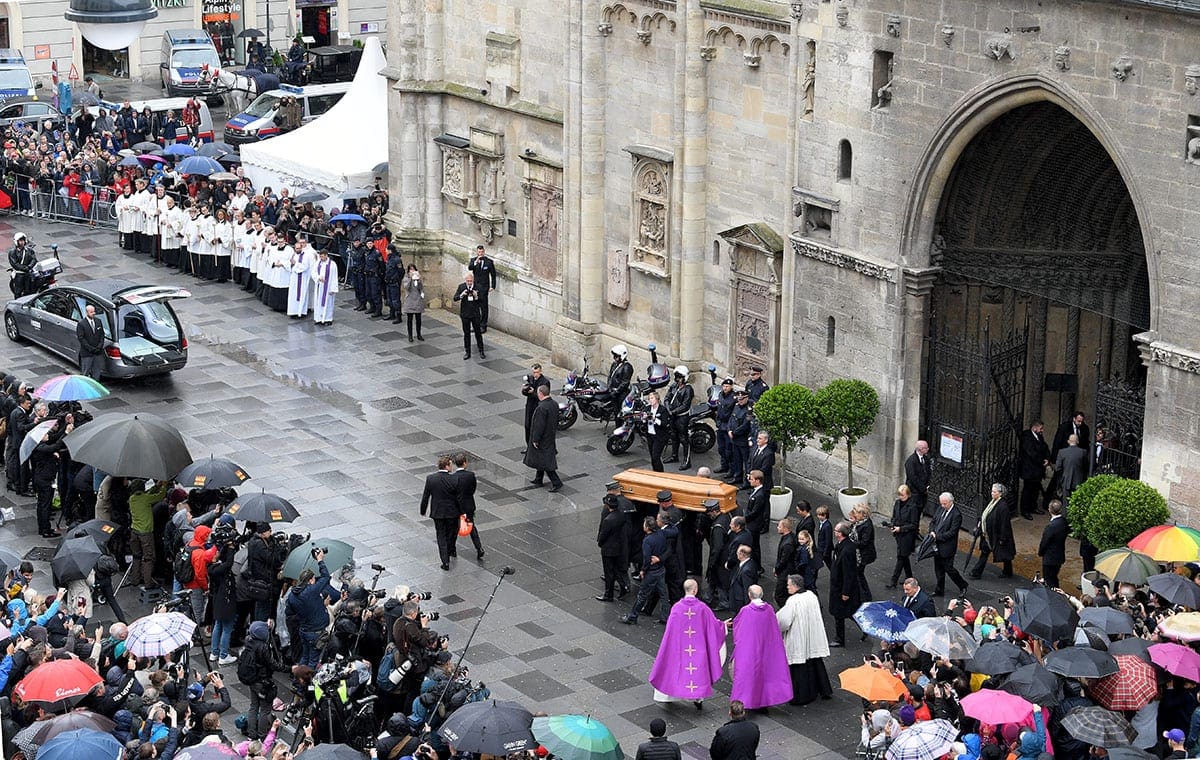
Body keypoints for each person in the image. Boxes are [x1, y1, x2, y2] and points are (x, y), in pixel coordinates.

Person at [649, 579, 725, 709]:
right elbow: (713, 625)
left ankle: (671, 693)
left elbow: (670, 630)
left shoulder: (677, 608)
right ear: (695, 590)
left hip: (680, 647)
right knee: (698, 673)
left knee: (674, 670)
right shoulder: (702, 608)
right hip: (698, 648)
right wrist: (723, 625)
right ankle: (698, 698)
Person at [728, 584, 793, 709]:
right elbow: (774, 629)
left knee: (748, 676)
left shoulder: (746, 611)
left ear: (749, 595)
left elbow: (739, 629)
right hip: (766, 649)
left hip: (750, 650)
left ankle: (747, 702)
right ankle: (764, 702)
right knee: (765, 675)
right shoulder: (769, 609)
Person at [776, 574, 832, 705]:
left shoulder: (793, 601)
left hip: (798, 636)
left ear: (795, 586)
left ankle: (801, 696)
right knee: (815, 662)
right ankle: (823, 689)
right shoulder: (811, 595)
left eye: (789, 585)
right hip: (811, 634)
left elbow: (784, 621)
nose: (787, 587)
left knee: (799, 667)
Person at [285, 551, 332, 668]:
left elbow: (290, 612)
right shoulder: (311, 591)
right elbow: (326, 576)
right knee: (313, 662)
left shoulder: (292, 595)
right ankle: (306, 684)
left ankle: (298, 681)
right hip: (315, 632)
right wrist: (320, 560)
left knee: (305, 657)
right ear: (310, 580)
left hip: (304, 629)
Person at [621, 517, 670, 625]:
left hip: (651, 572)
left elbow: (647, 559)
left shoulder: (647, 541)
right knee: (663, 594)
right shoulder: (662, 534)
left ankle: (633, 616)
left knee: (642, 595)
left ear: (647, 528)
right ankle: (665, 617)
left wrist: (643, 570)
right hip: (661, 569)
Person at [419, 456, 459, 571]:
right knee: (451, 533)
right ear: (447, 466)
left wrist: (423, 510)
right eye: (451, 465)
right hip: (452, 512)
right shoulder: (454, 479)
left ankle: (445, 561)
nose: (452, 467)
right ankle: (451, 549)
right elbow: (458, 497)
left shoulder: (431, 479)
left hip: (438, 512)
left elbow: (426, 496)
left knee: (441, 535)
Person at [969, 483, 1015, 580]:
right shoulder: (993, 502)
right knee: (986, 552)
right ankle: (977, 572)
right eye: (992, 491)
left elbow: (1004, 524)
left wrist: (1002, 538)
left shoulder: (1003, 507)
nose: (992, 493)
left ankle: (1007, 571)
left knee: (1003, 553)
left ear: (1000, 494)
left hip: (996, 535)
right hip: (989, 534)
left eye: (994, 492)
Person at [929, 492, 968, 597]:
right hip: (936, 545)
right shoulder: (940, 509)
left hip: (947, 547)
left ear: (951, 502)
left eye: (945, 504)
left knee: (949, 568)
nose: (942, 506)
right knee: (938, 569)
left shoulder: (956, 514)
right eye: (941, 503)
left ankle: (963, 585)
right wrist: (932, 531)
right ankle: (939, 589)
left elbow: (952, 532)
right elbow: (933, 522)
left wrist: (938, 536)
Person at [525, 384, 564, 491]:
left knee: (545, 460)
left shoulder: (541, 408)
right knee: (540, 457)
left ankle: (556, 482)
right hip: (550, 434)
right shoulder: (554, 404)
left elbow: (539, 425)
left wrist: (535, 439)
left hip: (543, 438)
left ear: (541, 394)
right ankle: (539, 478)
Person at [828, 520, 860, 647]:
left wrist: (845, 592)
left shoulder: (847, 550)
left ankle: (839, 639)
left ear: (840, 534)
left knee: (839, 613)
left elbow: (848, 573)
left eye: (836, 530)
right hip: (838, 585)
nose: (834, 532)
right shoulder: (843, 545)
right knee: (848, 612)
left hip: (841, 588)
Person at [597, 495, 630, 602]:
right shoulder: (621, 515)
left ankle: (608, 594)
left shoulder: (608, 520)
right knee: (616, 569)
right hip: (619, 546)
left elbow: (603, 535)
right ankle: (623, 586)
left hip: (609, 549)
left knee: (609, 572)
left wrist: (600, 543)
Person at [886, 484, 920, 589]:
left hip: (907, 536)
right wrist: (892, 525)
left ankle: (893, 581)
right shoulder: (897, 503)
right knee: (904, 557)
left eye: (903, 495)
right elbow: (894, 516)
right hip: (898, 534)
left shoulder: (913, 507)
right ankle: (910, 578)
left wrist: (901, 528)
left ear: (908, 495)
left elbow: (914, 524)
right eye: (900, 495)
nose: (901, 497)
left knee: (901, 557)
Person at [452, 452, 484, 560]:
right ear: (465, 463)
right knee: (471, 527)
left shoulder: (453, 477)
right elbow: (472, 489)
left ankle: (452, 549)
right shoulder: (471, 475)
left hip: (457, 507)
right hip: (469, 505)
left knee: (454, 528)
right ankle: (479, 548)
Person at [663, 366, 694, 469]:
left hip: (682, 417)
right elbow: (667, 398)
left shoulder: (688, 389)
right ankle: (674, 455)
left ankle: (687, 460)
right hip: (672, 415)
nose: (677, 380)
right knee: (673, 436)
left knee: (684, 438)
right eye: (676, 377)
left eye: (680, 377)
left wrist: (674, 412)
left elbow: (685, 405)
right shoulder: (673, 386)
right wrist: (668, 409)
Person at [1018, 422, 1051, 519]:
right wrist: (1041, 461)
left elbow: (1045, 447)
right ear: (1034, 428)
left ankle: (1033, 506)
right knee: (1028, 490)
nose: (1042, 430)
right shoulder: (1027, 437)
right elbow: (1031, 453)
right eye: (1041, 428)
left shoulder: (1039, 436)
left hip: (1038, 470)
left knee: (1035, 489)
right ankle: (1025, 510)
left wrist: (1047, 458)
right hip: (1029, 469)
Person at [452, 271, 486, 360]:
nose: (469, 283)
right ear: (465, 281)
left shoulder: (478, 287)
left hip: (475, 314)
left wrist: (476, 296)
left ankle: (481, 351)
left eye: (471, 281)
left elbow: (482, 301)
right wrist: (461, 295)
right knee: (466, 334)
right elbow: (455, 298)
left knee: (478, 333)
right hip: (465, 314)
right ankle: (467, 352)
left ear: (473, 280)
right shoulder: (461, 287)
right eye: (468, 281)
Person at [1038, 500, 1069, 589]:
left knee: (1049, 580)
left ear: (1050, 510)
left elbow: (1044, 542)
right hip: (1059, 556)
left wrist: (1041, 552)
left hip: (1050, 558)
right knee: (1054, 577)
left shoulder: (1051, 527)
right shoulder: (1064, 522)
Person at [850, 505, 876, 603]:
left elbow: (864, 542)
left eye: (857, 513)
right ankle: (865, 595)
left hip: (863, 555)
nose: (855, 514)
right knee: (859, 575)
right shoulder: (860, 523)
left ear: (863, 514)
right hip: (860, 554)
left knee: (858, 575)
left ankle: (864, 597)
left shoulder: (866, 526)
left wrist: (851, 543)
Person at [522, 364, 551, 450]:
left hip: (538, 407)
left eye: (537, 372)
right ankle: (529, 446)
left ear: (540, 371)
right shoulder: (530, 378)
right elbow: (525, 393)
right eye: (534, 372)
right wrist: (525, 390)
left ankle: (538, 446)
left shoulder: (545, 382)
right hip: (530, 406)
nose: (535, 374)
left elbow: (544, 396)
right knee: (527, 426)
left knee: (537, 427)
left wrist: (533, 392)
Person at [468, 245, 497, 332]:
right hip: (476, 287)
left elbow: (493, 275)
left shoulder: (489, 262)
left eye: (482, 252)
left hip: (484, 288)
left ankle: (483, 325)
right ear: (477, 252)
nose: (480, 253)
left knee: (484, 307)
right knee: (475, 307)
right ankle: (476, 324)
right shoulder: (473, 260)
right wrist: (476, 262)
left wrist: (493, 286)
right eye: (479, 252)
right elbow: (470, 268)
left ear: (484, 252)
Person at [726, 391, 752, 487]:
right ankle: (737, 477)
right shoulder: (736, 406)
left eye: (742, 399)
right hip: (734, 439)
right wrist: (729, 429)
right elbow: (731, 419)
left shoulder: (749, 409)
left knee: (746, 462)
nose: (740, 401)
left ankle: (746, 482)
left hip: (743, 439)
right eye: (738, 399)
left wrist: (734, 432)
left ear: (746, 398)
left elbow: (746, 425)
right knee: (737, 460)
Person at [726, 545, 760, 616]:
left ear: (742, 555)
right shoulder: (750, 563)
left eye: (737, 552)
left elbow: (747, 589)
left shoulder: (746, 571)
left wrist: (748, 607)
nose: (736, 554)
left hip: (740, 601)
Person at [76, 304, 106, 380]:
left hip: (97, 353)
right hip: (87, 353)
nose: (93, 313)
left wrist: (99, 346)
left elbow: (102, 335)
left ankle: (95, 386)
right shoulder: (81, 324)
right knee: (85, 372)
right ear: (87, 312)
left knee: (97, 372)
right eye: (91, 312)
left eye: (94, 311)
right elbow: (81, 338)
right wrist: (91, 348)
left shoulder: (98, 321)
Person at [772, 518, 798, 607]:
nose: (777, 528)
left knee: (779, 595)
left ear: (785, 528)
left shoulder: (788, 544)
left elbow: (784, 560)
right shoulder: (790, 538)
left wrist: (777, 568)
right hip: (787, 570)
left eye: (779, 526)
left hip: (786, 572)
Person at [744, 470, 768, 564]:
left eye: (751, 479)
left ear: (757, 481)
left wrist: (744, 519)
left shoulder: (760, 495)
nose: (749, 480)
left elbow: (755, 512)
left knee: (754, 546)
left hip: (754, 524)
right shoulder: (756, 491)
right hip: (751, 522)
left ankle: (757, 566)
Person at [1055, 434, 1088, 503]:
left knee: (1065, 503)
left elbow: (1057, 468)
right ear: (1078, 442)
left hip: (1066, 481)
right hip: (1079, 481)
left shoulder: (1062, 452)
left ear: (1068, 441)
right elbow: (1086, 467)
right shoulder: (1083, 452)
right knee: (1077, 503)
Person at [713, 377, 736, 474]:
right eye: (724, 386)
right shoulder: (720, 395)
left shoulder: (734, 398)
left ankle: (731, 469)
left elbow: (733, 413)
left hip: (728, 426)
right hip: (720, 425)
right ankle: (724, 465)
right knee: (721, 448)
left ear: (731, 387)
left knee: (729, 450)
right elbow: (718, 409)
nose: (725, 388)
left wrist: (730, 427)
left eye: (727, 386)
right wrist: (717, 421)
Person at [310, 248, 338, 325]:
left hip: (328, 287)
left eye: (322, 256)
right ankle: (318, 318)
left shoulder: (332, 264)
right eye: (320, 256)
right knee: (318, 303)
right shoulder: (318, 263)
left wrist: (333, 288)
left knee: (328, 303)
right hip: (319, 287)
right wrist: (318, 277)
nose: (321, 258)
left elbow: (334, 277)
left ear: (326, 255)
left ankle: (328, 319)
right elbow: (313, 272)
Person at [904, 440, 932, 513]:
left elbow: (928, 472)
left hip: (922, 494)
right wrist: (923, 488)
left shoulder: (926, 459)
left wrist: (927, 485)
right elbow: (913, 478)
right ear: (921, 449)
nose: (928, 449)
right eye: (926, 448)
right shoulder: (911, 461)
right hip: (914, 492)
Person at [644, 390, 668, 472]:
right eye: (649, 398)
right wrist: (644, 419)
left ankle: (661, 474)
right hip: (650, 435)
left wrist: (655, 419)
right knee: (652, 457)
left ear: (657, 399)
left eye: (652, 398)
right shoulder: (647, 408)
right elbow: (643, 422)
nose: (650, 400)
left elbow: (664, 423)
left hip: (659, 436)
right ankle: (655, 472)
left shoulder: (663, 410)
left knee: (656, 456)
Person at [401, 264, 425, 340]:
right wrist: (411, 279)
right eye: (410, 269)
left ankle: (419, 334)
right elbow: (406, 287)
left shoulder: (418, 278)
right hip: (410, 300)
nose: (412, 271)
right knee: (409, 319)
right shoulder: (406, 278)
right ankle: (410, 335)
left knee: (418, 319)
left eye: (413, 269)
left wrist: (418, 280)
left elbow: (420, 288)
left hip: (417, 299)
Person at [812, 505, 833, 589]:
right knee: (829, 565)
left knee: (816, 566)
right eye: (818, 515)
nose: (819, 517)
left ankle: (812, 582)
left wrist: (825, 552)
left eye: (821, 515)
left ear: (825, 515)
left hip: (823, 550)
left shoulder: (827, 526)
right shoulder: (823, 524)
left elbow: (828, 540)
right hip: (822, 549)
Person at [8, 232, 35, 298]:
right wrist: (24, 268)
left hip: (28, 274)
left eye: (22, 240)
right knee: (18, 292)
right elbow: (15, 264)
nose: (22, 242)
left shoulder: (29, 250)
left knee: (28, 291)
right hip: (19, 275)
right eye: (20, 240)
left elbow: (33, 259)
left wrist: (29, 266)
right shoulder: (12, 252)